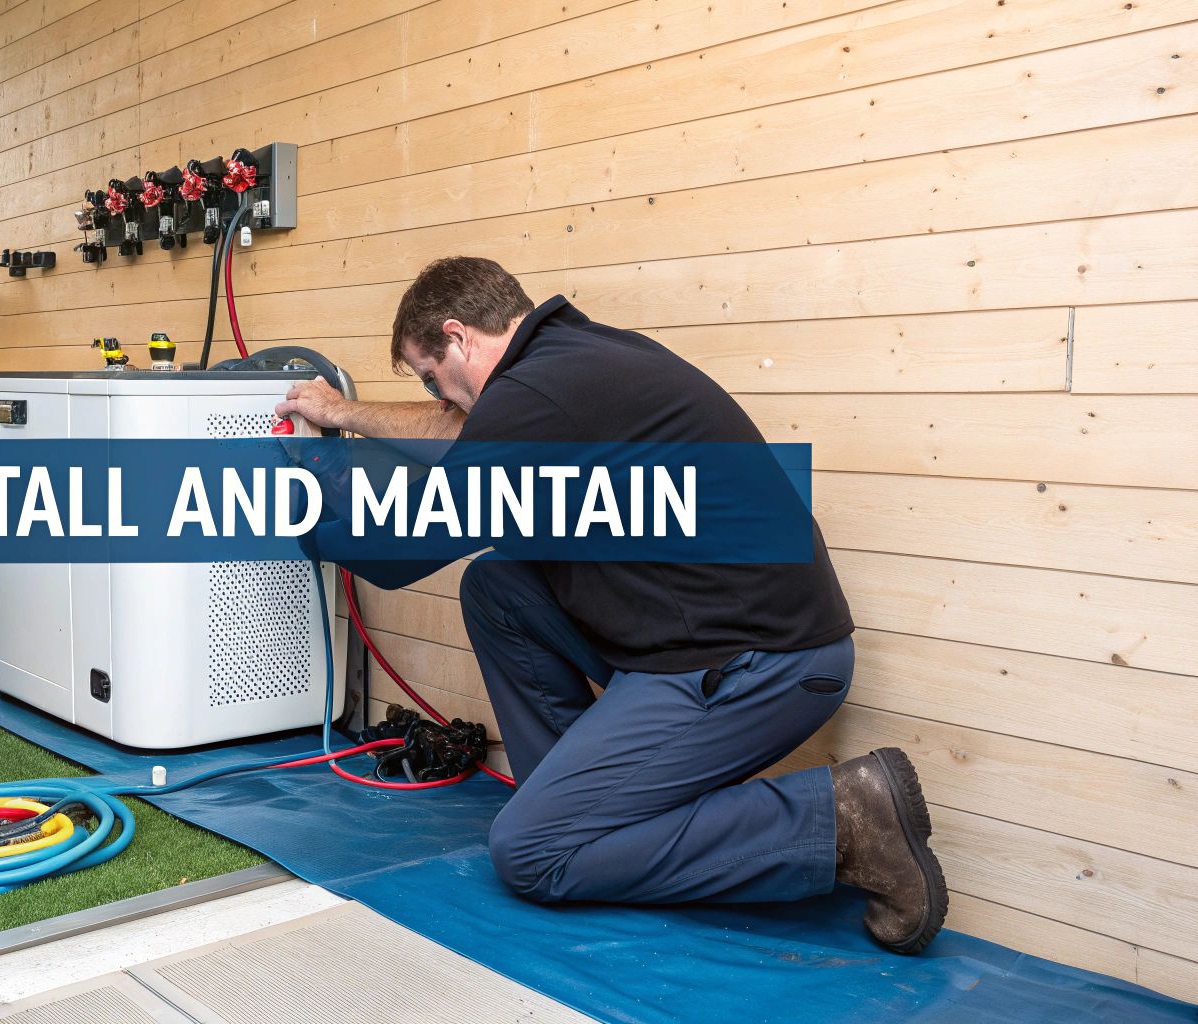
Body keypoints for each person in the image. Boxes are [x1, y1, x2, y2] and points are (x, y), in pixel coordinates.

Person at [276, 257, 947, 954]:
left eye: (431, 378)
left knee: (531, 855)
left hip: (758, 664)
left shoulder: (539, 396)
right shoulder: (574, 362)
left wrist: (289, 499)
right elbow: (461, 433)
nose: (437, 397)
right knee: (499, 586)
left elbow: (398, 551)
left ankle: (840, 818)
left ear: (459, 337)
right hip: (721, 635)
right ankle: (579, 805)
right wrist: (341, 412)